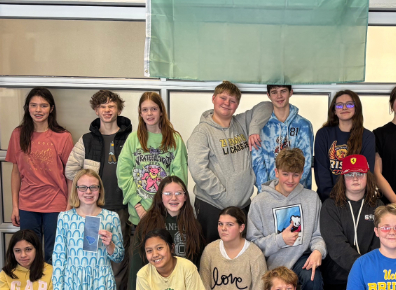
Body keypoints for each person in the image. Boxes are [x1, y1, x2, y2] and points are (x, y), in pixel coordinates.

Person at [64, 89, 132, 290]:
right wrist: (85, 191)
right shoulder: (87, 140)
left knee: (118, 258)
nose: (107, 110)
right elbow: (69, 170)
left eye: (111, 106)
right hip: (93, 211)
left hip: (122, 208)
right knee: (91, 254)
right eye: (102, 106)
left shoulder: (131, 138)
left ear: (118, 109)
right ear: (96, 110)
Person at [186, 81, 272, 244]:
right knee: (212, 257)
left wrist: (253, 129)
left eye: (232, 101)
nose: (227, 103)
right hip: (213, 207)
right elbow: (198, 171)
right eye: (223, 98)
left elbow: (267, 106)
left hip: (243, 207)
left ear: (237, 105)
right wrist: (223, 197)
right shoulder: (202, 132)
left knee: (240, 255)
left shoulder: (241, 123)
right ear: (213, 99)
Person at [51, 169, 125, 290]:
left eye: (93, 187)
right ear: (76, 190)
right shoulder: (65, 218)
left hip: (100, 279)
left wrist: (110, 245)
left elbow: (118, 256)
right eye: (83, 187)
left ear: (100, 190)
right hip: (73, 281)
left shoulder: (111, 218)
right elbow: (59, 257)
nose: (88, 191)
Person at [125, 175, 204, 290]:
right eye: (168, 193)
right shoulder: (147, 224)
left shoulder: (193, 225)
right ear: (160, 197)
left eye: (179, 193)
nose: (173, 198)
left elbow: (197, 270)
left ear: (185, 196)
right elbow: (137, 270)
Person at [247, 148, 326, 290]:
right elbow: (253, 244)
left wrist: (318, 250)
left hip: (301, 258)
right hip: (271, 262)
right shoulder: (260, 202)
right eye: (285, 174)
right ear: (276, 172)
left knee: (313, 279)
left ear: (302, 173)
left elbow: (318, 234)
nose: (290, 179)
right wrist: (280, 240)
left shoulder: (311, 198)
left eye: (295, 175)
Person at [319, 154, 381, 290]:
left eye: (360, 174)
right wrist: (362, 268)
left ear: (367, 176)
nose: (355, 178)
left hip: (371, 278)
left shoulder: (377, 206)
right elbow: (336, 245)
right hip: (338, 278)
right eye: (350, 174)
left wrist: (367, 272)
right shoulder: (330, 206)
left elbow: (381, 243)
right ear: (342, 178)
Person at [7, 87, 74, 261]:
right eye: (34, 105)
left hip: (56, 204)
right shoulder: (18, 134)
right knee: (29, 254)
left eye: (43, 106)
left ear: (51, 109)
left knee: (54, 254)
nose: (38, 110)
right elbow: (15, 173)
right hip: (28, 205)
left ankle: (54, 289)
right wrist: (15, 206)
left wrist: (69, 206)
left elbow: (71, 175)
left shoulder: (63, 137)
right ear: (27, 108)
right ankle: (34, 288)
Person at [116, 91, 187, 228]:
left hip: (167, 213)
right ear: (140, 113)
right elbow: (123, 174)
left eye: (154, 109)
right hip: (139, 214)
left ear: (161, 111)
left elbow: (180, 177)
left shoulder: (175, 139)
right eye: (145, 109)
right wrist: (138, 206)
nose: (149, 113)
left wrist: (169, 207)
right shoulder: (133, 139)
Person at [249, 84, 314, 192]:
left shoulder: (303, 125)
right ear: (268, 95)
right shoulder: (260, 127)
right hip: (269, 194)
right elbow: (257, 163)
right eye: (274, 92)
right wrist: (268, 190)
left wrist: (291, 190)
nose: (279, 96)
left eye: (283, 91)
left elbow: (306, 162)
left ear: (291, 92)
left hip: (297, 193)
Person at [313, 89, 376, 202]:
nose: (344, 108)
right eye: (339, 105)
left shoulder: (367, 136)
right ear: (334, 110)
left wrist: (352, 200)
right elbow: (321, 172)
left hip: (357, 200)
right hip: (328, 200)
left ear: (356, 108)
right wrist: (334, 199)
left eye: (349, 104)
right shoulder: (323, 134)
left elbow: (367, 173)